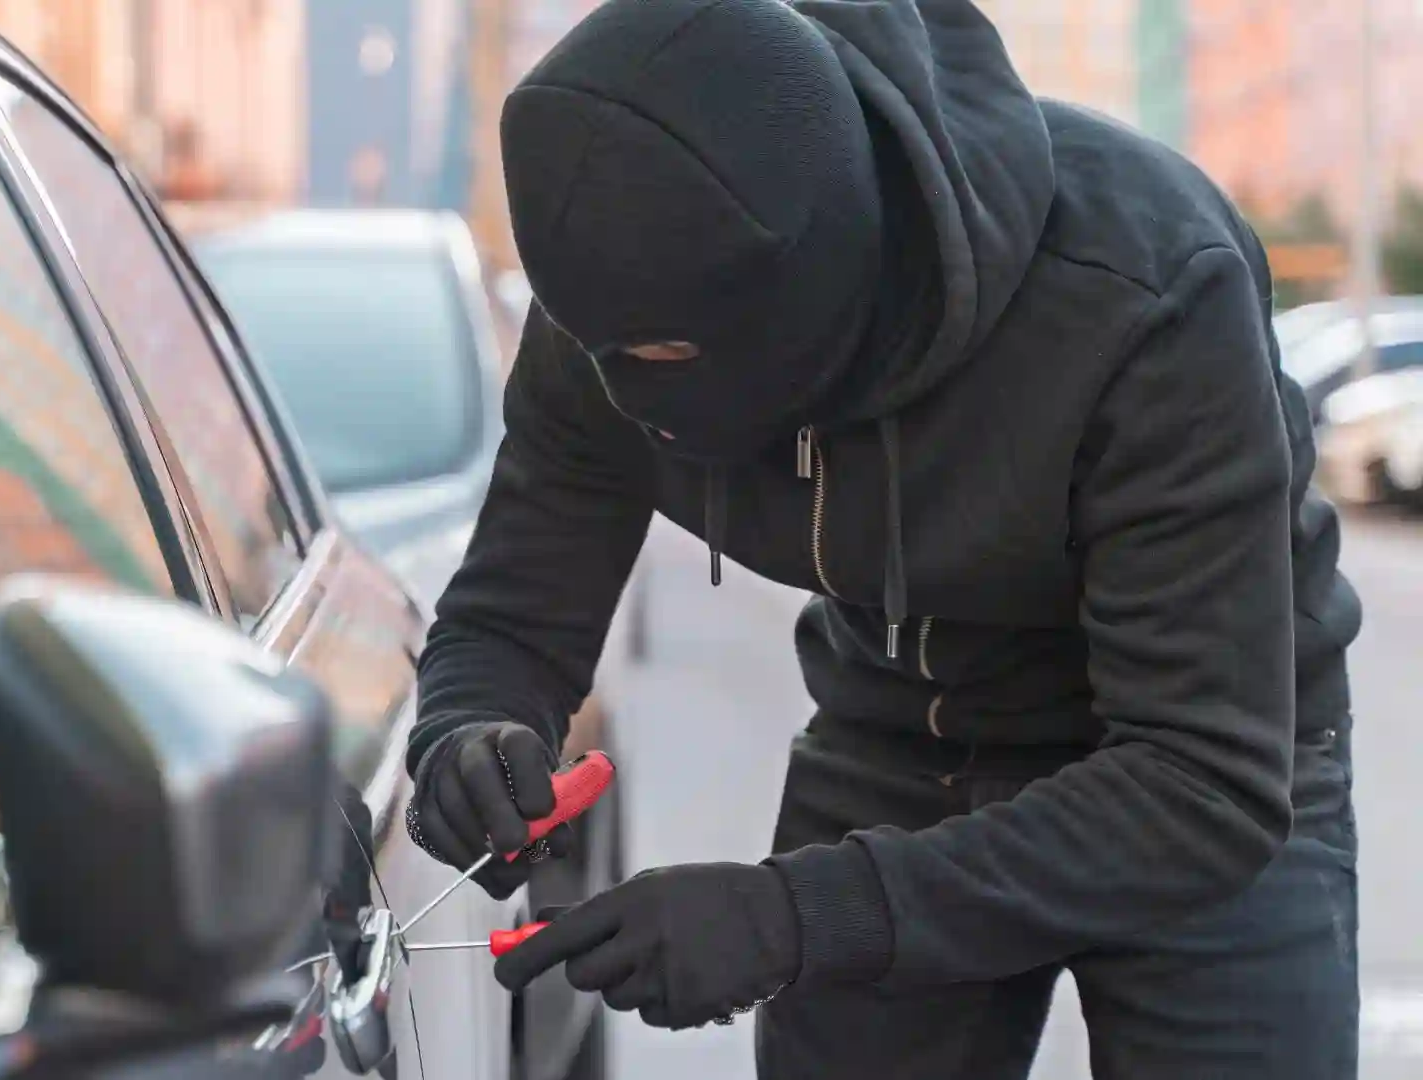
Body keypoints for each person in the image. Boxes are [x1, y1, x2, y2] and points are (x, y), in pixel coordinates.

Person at [400, 1, 1362, 1077]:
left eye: (660, 356)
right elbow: (510, 616)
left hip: (1190, 773)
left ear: (812, 299)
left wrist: (792, 916)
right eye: (599, 348)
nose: (626, 398)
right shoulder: (618, 292)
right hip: (899, 736)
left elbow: (1205, 782)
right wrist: (465, 736)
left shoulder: (1142, 292)